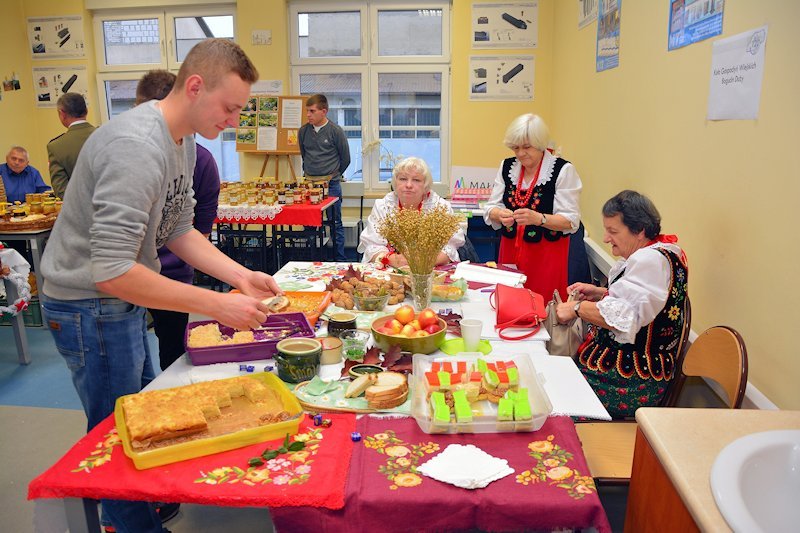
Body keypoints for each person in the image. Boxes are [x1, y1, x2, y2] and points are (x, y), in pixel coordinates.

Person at [40, 39, 280, 533]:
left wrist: (238, 276)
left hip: (116, 302)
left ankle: (135, 513)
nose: (234, 120)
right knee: (117, 430)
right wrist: (216, 304)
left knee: (145, 414)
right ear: (195, 87)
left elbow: (177, 228)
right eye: (230, 107)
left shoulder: (184, 139)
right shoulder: (136, 148)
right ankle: (126, 524)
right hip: (90, 304)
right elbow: (110, 269)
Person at [556, 190, 689, 419]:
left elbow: (622, 318)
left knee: (554, 399)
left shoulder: (650, 260)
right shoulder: (661, 253)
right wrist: (601, 294)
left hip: (629, 382)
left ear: (640, 231)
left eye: (613, 231)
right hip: (623, 374)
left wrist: (575, 309)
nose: (606, 238)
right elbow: (646, 305)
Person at [135, 69, 221, 372]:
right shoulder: (132, 154)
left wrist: (240, 279)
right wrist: (216, 302)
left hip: (169, 270)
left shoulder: (191, 154)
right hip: (114, 290)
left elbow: (186, 225)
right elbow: (112, 263)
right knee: (129, 377)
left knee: (168, 353)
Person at [483, 114, 582, 301]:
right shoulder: (507, 167)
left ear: (540, 143)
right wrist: (499, 214)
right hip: (510, 251)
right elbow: (491, 207)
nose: (520, 154)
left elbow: (570, 221)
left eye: (526, 147)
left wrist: (540, 219)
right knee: (510, 302)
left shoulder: (562, 170)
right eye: (516, 148)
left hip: (546, 256)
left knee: (541, 304)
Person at [358, 156, 465, 267]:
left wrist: (423, 262)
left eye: (416, 180)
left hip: (430, 269)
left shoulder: (440, 207)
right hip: (391, 269)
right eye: (403, 179)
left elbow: (450, 247)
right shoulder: (382, 206)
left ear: (425, 185)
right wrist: (394, 260)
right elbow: (372, 245)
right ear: (395, 182)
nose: (408, 185)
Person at [298, 93, 350, 261]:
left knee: (335, 224)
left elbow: (345, 159)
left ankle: (340, 261)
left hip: (331, 185)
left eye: (312, 111)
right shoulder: (303, 131)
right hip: (309, 185)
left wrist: (333, 175)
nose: (308, 115)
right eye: (307, 111)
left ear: (324, 111)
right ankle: (314, 260)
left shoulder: (335, 131)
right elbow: (304, 155)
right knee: (310, 225)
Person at [47, 93, 96, 199]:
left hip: (82, 210)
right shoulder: (106, 134)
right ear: (86, 111)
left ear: (62, 114)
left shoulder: (56, 147)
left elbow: (61, 191)